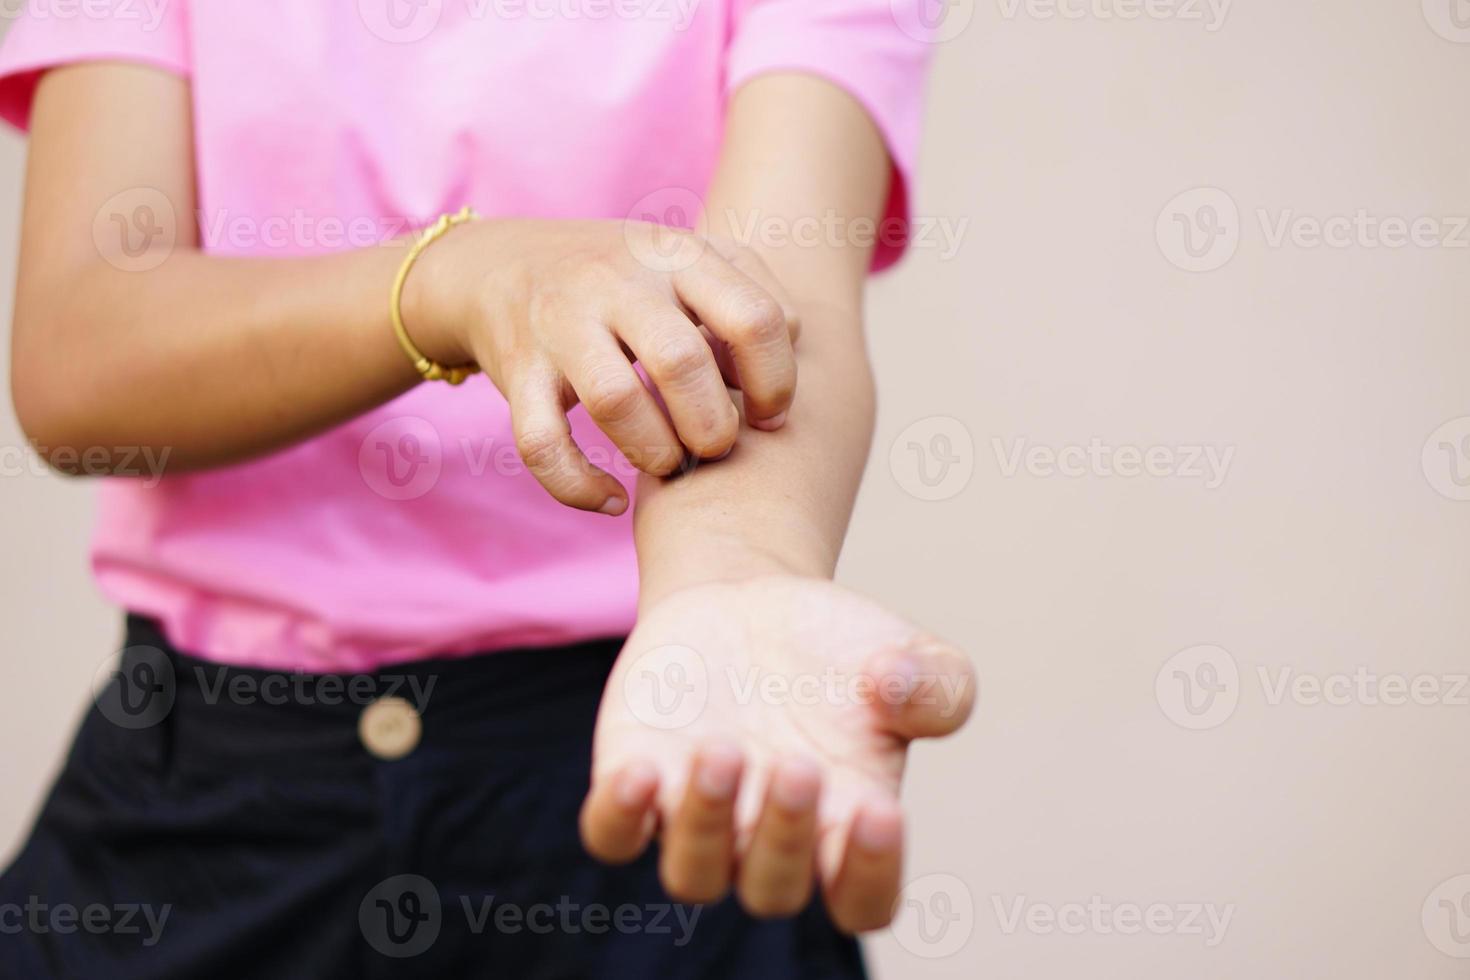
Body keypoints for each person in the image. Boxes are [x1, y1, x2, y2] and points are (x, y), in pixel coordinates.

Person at [0, 2, 975, 976]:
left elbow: (768, 314)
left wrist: (730, 580)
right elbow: (80, 359)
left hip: (651, 767)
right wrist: (456, 281)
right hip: (211, 801)